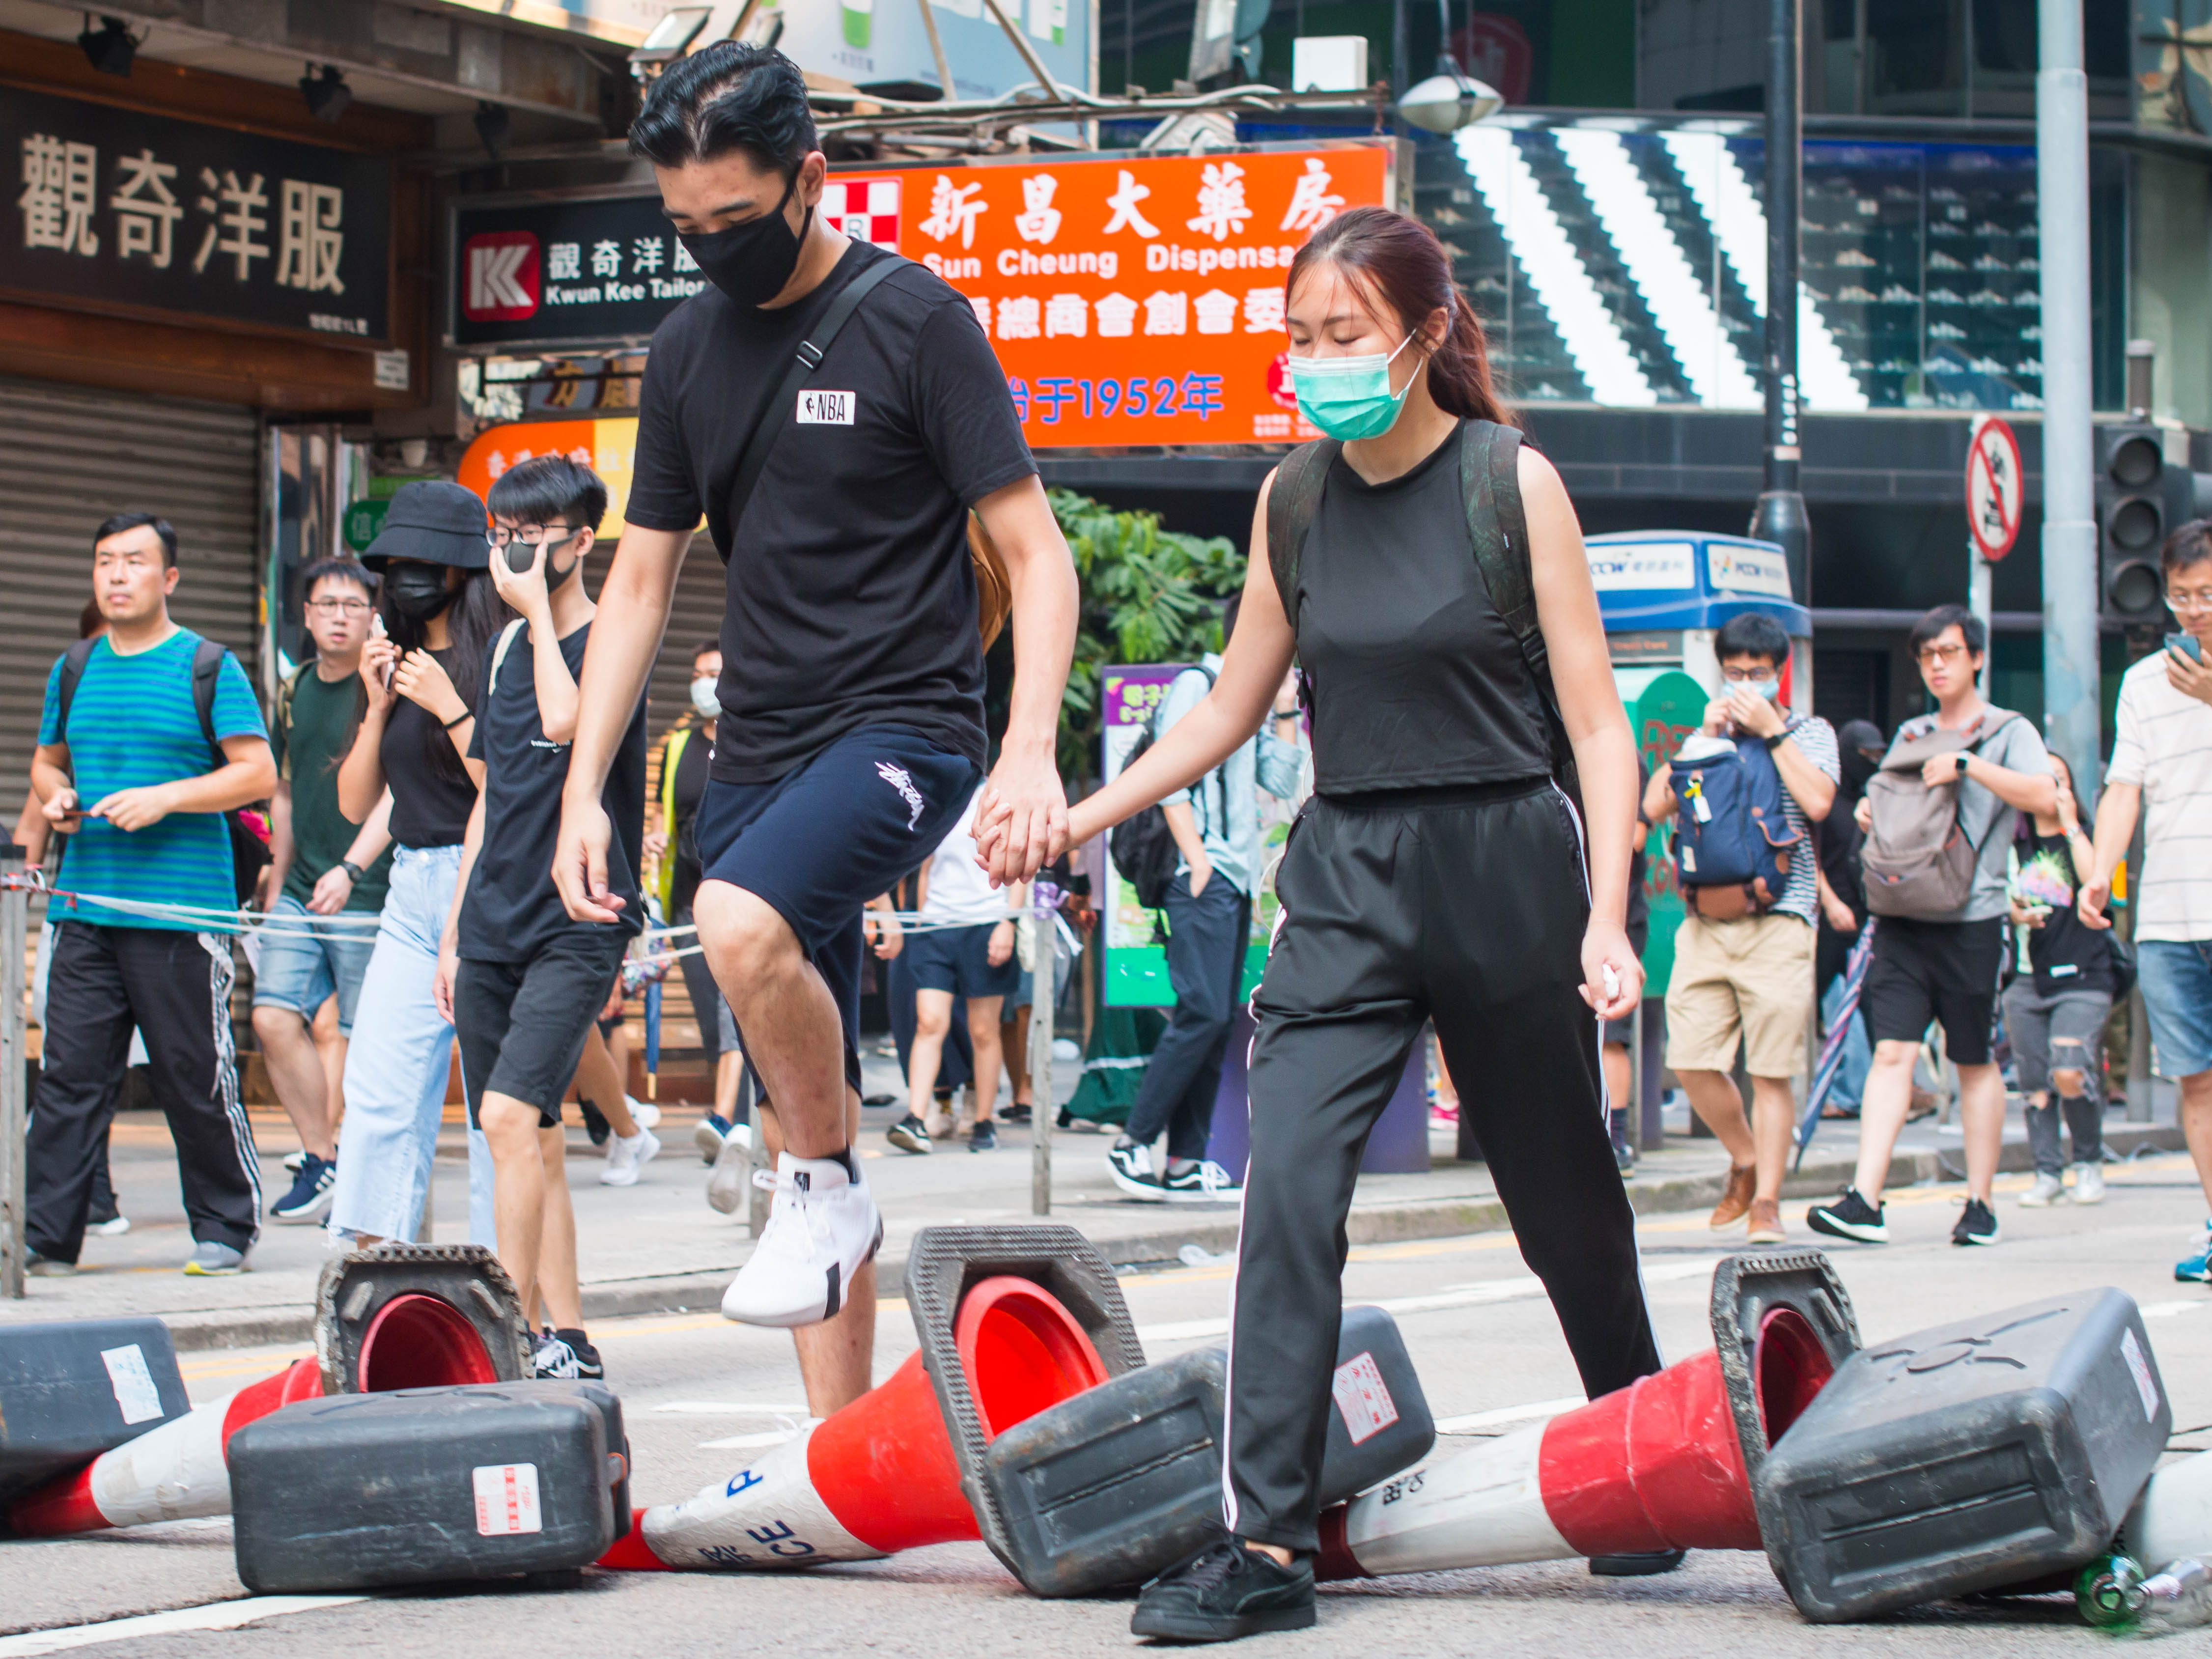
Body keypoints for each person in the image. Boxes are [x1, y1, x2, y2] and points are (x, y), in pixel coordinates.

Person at [1011, 206, 1656, 1641]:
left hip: (1505, 860)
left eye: (1343, 337)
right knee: (1285, 1192)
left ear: (1422, 337)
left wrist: (1604, 914)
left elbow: (1599, 728)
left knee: (1563, 1203)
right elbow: (1234, 705)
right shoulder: (1292, 499)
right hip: (1347, 870)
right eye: (1298, 339)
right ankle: (1266, 1546)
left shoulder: (1509, 482)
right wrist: (1087, 807)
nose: (1314, 364)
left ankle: (1635, 1441)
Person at [548, 43, 1076, 1419]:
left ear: (810, 176)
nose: (709, 251)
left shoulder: (914, 321)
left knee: (736, 929)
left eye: (734, 222)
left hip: (906, 725)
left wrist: (1026, 748)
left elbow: (1033, 551)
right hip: (763, 746)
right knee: (797, 1086)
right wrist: (579, 793)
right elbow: (643, 581)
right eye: (683, 230)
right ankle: (839, 1443)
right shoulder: (684, 352)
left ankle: (827, 1184)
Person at [439, 454, 648, 1381]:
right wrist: (452, 931)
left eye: (530, 535)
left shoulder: (614, 640)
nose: (511, 550)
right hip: (493, 919)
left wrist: (531, 616)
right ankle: (568, 1336)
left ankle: (510, 1343)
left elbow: (566, 731)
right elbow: (492, 796)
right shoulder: (495, 649)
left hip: (580, 916)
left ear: (580, 540)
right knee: (535, 1139)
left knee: (507, 1116)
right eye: (501, 533)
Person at [25, 513, 277, 1276]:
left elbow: (257, 773)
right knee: (70, 1078)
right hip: (83, 907)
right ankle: (46, 1236)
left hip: (179, 914)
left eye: (135, 562)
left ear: (168, 578)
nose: (117, 575)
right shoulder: (74, 667)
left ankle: (226, 1226)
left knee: (190, 1073)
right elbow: (43, 766)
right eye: (105, 561)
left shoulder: (206, 665)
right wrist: (58, 795)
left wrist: (166, 798)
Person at [1810, 604, 2053, 1249]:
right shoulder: (1913, 731)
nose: (1936, 665)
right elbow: (1894, 802)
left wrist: (1970, 766)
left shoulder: (2007, 730)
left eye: (1947, 652)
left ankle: (1978, 1202)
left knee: (1969, 1060)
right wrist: (1869, 810)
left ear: (1975, 657)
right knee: (1891, 1051)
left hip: (1970, 918)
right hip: (1898, 916)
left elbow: (2046, 796)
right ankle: (1864, 1198)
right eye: (1926, 655)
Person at [326, 481, 511, 1249]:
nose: (405, 572)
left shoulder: (508, 653)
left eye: (422, 558)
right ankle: (365, 1283)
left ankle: (505, 1291)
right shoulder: (393, 663)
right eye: (393, 560)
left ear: (462, 566)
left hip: (493, 883)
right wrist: (376, 708)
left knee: (493, 1114)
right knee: (377, 1097)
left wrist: (450, 705)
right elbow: (355, 800)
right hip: (409, 887)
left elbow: (507, 789)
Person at [1643, 613, 1838, 1245]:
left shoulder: (1809, 731)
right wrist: (1704, 740)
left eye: (1758, 672)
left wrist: (1773, 732)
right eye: (1735, 672)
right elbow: (1654, 803)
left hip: (1780, 919)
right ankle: (1747, 1157)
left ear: (1780, 672)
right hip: (1707, 922)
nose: (1747, 682)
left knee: (1773, 1070)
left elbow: (1817, 804)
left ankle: (1768, 1204)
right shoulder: (1710, 736)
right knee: (1691, 1059)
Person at [1107, 598, 1302, 1203]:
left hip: (1234, 880)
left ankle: (1185, 1160)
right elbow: (1169, 773)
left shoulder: (1247, 702)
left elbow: (1283, 780)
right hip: (1206, 873)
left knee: (1216, 1020)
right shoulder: (1199, 684)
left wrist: (1286, 706)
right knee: (1202, 1012)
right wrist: (1195, 861)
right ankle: (1133, 1143)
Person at [2080, 520, 2212, 1279]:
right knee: (2193, 1079)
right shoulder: (2142, 683)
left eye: (2208, 595)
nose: (2194, 610)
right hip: (2169, 914)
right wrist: (2100, 870)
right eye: (2183, 595)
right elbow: (2123, 787)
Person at [252, 557, 394, 1224]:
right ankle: (321, 1158)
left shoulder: (388, 684)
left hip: (368, 893)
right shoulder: (293, 688)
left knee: (367, 1039)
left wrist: (353, 868)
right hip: (301, 889)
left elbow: (400, 790)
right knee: (273, 1018)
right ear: (305, 616)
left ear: (373, 614)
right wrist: (278, 881)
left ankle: (370, 1178)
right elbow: (283, 789)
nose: (339, 616)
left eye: (352, 605)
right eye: (326, 604)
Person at [645, 639, 749, 1161]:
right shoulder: (680, 744)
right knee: (712, 1016)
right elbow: (667, 813)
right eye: (699, 672)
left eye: (716, 672)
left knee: (736, 1010)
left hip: (739, 892)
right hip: (687, 897)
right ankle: (740, 1117)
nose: (706, 682)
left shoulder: (754, 737)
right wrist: (655, 841)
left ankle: (725, 1117)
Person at [888, 787, 1025, 1154]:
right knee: (928, 1022)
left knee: (983, 1029)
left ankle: (984, 1120)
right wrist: (920, 925)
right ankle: (916, 1116)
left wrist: (1007, 923)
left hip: (985, 922)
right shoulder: (940, 798)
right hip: (937, 925)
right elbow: (927, 868)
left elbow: (1021, 866)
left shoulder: (1001, 799)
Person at [2003, 751, 2111, 1207]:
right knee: (2034, 1085)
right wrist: (2016, 914)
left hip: (2084, 977)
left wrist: (2070, 825)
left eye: (2058, 779)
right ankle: (2047, 1171)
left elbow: (2097, 887)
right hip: (2026, 980)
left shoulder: (2085, 838)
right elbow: (1994, 895)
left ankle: (2087, 1162)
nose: (2048, 787)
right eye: (2039, 779)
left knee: (2068, 1071)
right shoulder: (2011, 842)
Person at [1812, 719, 1884, 1119]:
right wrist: (1831, 901)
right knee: (1819, 1003)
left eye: (1878, 755)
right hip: (1829, 919)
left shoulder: (1869, 798)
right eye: (1866, 755)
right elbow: (1809, 854)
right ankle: (1834, 1091)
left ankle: (1862, 1092)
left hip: (1864, 918)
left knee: (1870, 1006)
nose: (1871, 762)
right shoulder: (1826, 796)